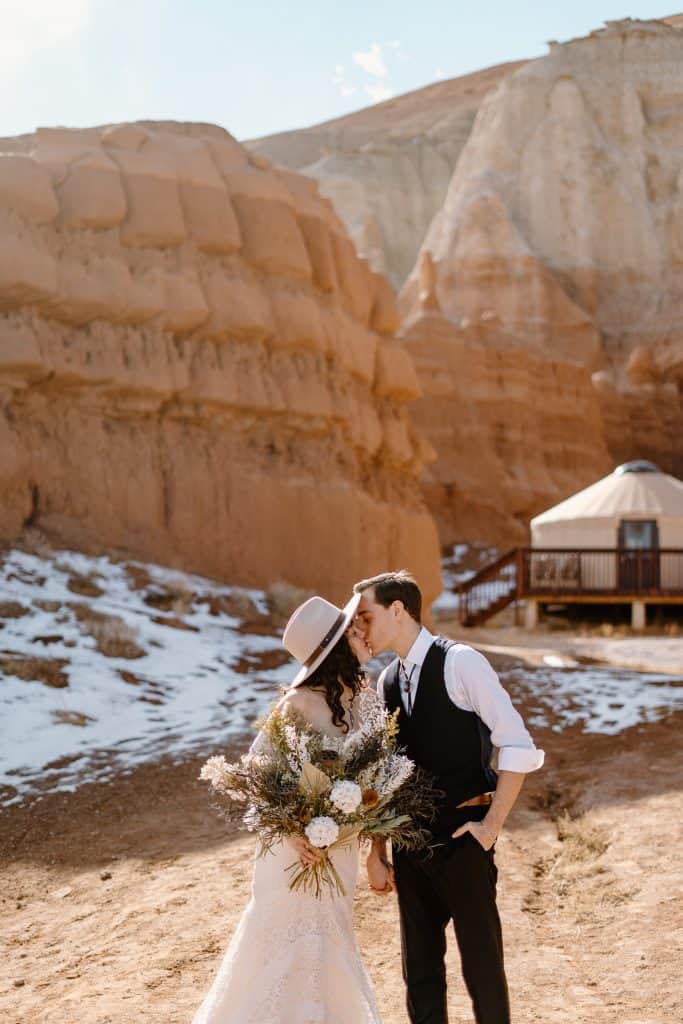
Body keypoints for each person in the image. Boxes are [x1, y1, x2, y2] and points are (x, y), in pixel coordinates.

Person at [354, 570, 544, 1024]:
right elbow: (383, 776)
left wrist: (490, 826)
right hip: (409, 848)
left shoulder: (462, 663)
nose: (360, 628)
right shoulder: (386, 683)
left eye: (366, 616)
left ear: (397, 609)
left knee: (482, 971)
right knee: (419, 975)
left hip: (464, 841)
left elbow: (517, 745)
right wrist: (377, 851)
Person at [191, 593, 383, 1024]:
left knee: (332, 944)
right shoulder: (295, 704)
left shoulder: (370, 702)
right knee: (279, 947)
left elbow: (376, 774)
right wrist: (292, 831)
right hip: (291, 850)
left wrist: (361, 815)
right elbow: (254, 776)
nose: (363, 634)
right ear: (335, 648)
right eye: (354, 631)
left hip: (340, 849)